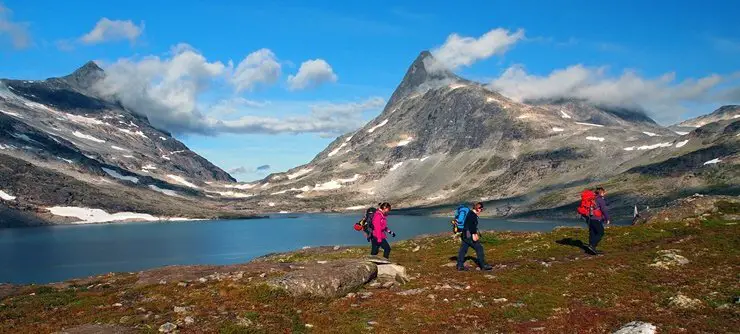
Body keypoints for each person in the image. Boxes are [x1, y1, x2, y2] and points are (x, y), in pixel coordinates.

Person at [456, 202, 493, 271]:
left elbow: (469, 225)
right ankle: (483, 265)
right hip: (468, 234)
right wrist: (474, 235)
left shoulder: (470, 213)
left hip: (464, 234)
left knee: (463, 249)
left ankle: (460, 265)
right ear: (478, 208)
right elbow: (471, 226)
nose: (481, 211)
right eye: (481, 209)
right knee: (479, 248)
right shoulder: (472, 215)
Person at [587, 187, 610, 255]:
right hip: (596, 219)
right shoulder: (600, 200)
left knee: (593, 232)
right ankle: (592, 246)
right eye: (604, 192)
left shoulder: (593, 199)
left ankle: (591, 248)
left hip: (590, 218)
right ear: (601, 192)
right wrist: (607, 218)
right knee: (601, 232)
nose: (605, 193)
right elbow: (604, 210)